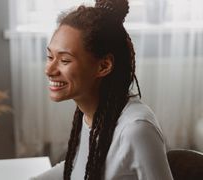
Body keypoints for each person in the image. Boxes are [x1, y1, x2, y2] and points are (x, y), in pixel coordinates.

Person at [31, 0, 173, 179]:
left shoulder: (136, 130)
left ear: (104, 66)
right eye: (49, 56)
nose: (49, 70)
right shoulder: (92, 113)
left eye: (64, 60)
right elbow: (76, 167)